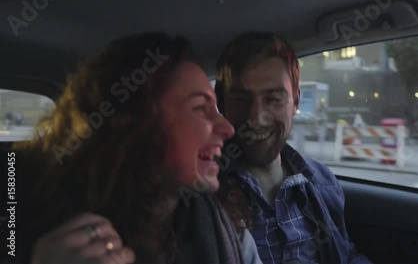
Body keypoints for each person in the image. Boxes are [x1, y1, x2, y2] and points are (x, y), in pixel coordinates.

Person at [11, 32, 262, 264]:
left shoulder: (229, 228)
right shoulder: (29, 228)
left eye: (216, 109)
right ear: (133, 122)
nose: (228, 128)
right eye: (200, 108)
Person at [214, 32, 371, 263]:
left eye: (274, 99)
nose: (256, 117)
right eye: (240, 99)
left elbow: (345, 255)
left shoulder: (322, 181)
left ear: (295, 101)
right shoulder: (204, 192)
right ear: (221, 103)